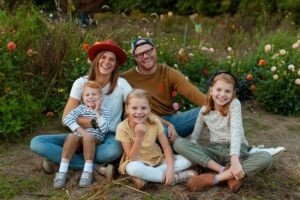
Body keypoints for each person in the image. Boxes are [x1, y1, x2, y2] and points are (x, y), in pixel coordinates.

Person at [30, 39, 132, 179]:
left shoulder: (121, 84)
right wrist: (92, 122)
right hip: (80, 134)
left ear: (115, 64)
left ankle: (62, 160)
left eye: (111, 59)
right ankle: (96, 167)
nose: (106, 62)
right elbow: (66, 118)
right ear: (96, 59)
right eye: (103, 57)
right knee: (37, 143)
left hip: (107, 136)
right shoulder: (81, 83)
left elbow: (135, 106)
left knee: (113, 151)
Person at [173, 72, 273, 193]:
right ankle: (224, 171)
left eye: (227, 91)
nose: (222, 95)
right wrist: (194, 150)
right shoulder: (204, 110)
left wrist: (235, 160)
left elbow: (236, 132)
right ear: (211, 90)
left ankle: (215, 178)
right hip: (215, 153)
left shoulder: (234, 104)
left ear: (233, 93)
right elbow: (195, 136)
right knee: (178, 143)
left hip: (238, 152)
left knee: (266, 158)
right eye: (218, 89)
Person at [121, 37, 207, 142]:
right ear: (135, 57)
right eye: (140, 54)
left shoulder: (167, 72)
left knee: (205, 111)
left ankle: (172, 143)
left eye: (148, 51)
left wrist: (220, 106)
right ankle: (173, 144)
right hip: (145, 122)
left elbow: (193, 93)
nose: (146, 56)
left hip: (172, 121)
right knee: (164, 132)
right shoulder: (126, 78)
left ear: (155, 50)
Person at [115, 89, 198, 189]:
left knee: (187, 159)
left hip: (157, 158)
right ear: (127, 108)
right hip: (137, 161)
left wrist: (170, 169)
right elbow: (132, 158)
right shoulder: (122, 127)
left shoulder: (154, 122)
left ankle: (148, 176)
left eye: (144, 108)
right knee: (132, 168)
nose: (139, 112)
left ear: (149, 109)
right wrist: (139, 137)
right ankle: (177, 177)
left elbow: (167, 148)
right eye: (134, 108)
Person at [54, 81, 110, 188]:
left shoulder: (104, 111)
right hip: (79, 138)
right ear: (83, 98)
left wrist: (97, 113)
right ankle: (62, 172)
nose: (90, 97)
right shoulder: (80, 109)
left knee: (88, 137)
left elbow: (105, 129)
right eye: (87, 95)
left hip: (94, 140)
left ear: (101, 96)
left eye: (94, 94)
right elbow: (67, 119)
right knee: (71, 136)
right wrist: (82, 131)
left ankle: (87, 172)